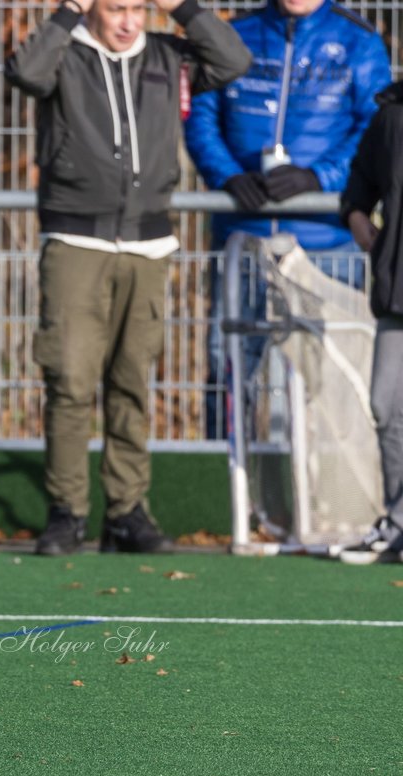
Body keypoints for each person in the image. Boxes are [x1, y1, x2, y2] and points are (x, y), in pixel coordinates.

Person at [5, 0, 250, 555]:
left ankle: (127, 512)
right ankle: (66, 513)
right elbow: (24, 72)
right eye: (115, 8)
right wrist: (67, 14)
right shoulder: (65, 54)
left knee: (131, 380)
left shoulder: (169, 54)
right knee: (69, 379)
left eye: (138, 8)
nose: (128, 21)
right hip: (75, 242)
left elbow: (234, 61)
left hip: (149, 243)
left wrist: (182, 9)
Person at [184, 0, 391, 438]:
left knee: (332, 376)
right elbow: (201, 117)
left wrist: (318, 177)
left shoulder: (359, 41)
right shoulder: (233, 34)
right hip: (244, 240)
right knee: (230, 363)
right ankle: (227, 480)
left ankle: (330, 497)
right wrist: (228, 177)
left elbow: (376, 129)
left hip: (325, 246)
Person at [338, 79, 403, 564]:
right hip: (397, 292)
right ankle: (399, 523)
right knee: (385, 406)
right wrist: (373, 241)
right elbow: (357, 192)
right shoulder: (391, 116)